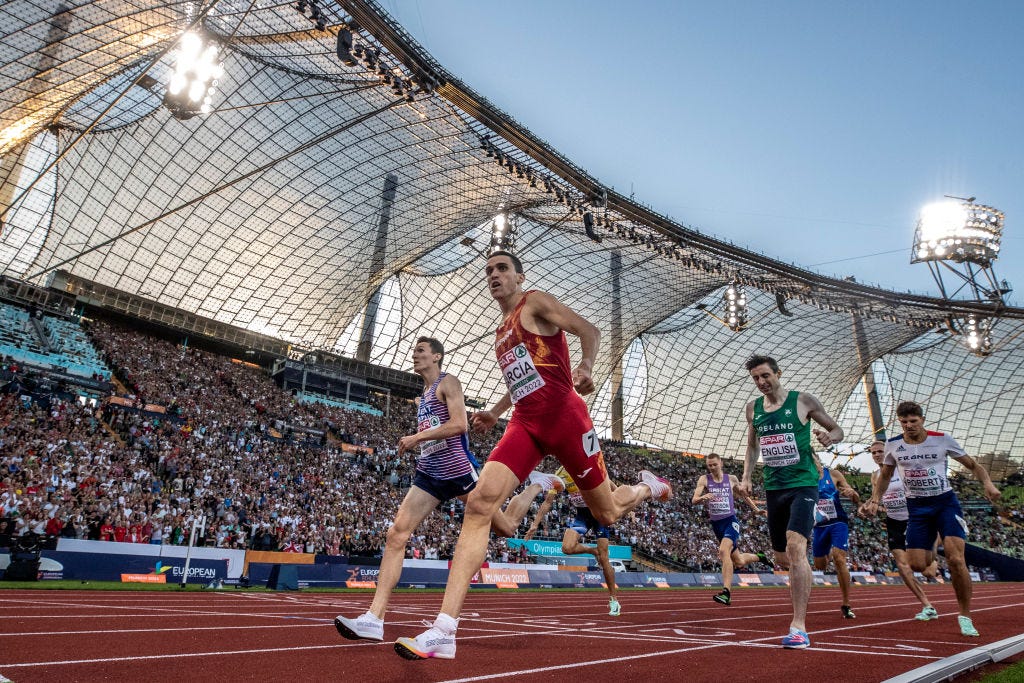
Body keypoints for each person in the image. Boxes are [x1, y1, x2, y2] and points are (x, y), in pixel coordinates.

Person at [395, 251, 672, 660]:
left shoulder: (535, 302)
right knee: (479, 503)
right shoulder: (500, 332)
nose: (493, 275)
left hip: (565, 416)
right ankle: (444, 630)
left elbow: (589, 330)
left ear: (519, 277)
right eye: (488, 270)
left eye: (502, 268)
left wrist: (588, 366)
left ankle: (647, 488)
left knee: (607, 513)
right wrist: (495, 411)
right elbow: (522, 380)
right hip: (525, 423)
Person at [335, 336, 558, 642]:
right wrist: (423, 440)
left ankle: (533, 486)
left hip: (456, 469)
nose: (414, 355)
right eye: (414, 351)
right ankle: (374, 618)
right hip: (429, 473)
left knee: (506, 527)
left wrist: (417, 438)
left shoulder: (447, 383)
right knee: (397, 533)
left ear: (437, 356)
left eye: (420, 351)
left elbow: (460, 425)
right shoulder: (423, 393)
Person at [861, 401, 1000, 637]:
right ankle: (934, 542)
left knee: (956, 559)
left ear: (922, 420)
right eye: (904, 422)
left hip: (944, 503)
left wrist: (987, 483)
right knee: (917, 564)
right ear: (899, 422)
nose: (909, 426)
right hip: (917, 508)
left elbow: (973, 465)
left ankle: (965, 616)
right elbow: (884, 476)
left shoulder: (941, 438)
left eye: (913, 421)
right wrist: (875, 499)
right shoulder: (893, 445)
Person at [738, 354, 844, 650]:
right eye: (756, 378)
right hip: (774, 488)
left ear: (778, 373)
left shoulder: (803, 401)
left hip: (804, 485)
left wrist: (829, 438)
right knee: (782, 558)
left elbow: (838, 430)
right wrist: (746, 476)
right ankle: (804, 562)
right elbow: (751, 446)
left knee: (796, 547)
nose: (761, 382)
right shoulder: (753, 409)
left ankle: (798, 627)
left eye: (765, 376)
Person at [524, 466, 622, 616]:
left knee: (604, 558)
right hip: (582, 515)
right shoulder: (559, 475)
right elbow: (548, 503)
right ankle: (592, 550)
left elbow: (613, 486)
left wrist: (623, 506)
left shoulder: (586, 465)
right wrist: (535, 524)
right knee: (567, 548)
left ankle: (614, 600)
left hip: (600, 513)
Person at [858, 440, 937, 620]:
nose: (877, 455)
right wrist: (866, 506)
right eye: (873, 452)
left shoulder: (903, 468)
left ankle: (934, 545)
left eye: (880, 451)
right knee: (902, 565)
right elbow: (875, 496)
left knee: (927, 572)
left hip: (915, 520)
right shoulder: (875, 475)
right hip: (894, 521)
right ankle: (927, 605)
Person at [691, 452, 771, 605]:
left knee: (723, 551)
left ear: (721, 463)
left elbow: (743, 495)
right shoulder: (704, 479)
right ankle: (760, 557)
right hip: (717, 525)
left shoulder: (731, 479)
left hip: (730, 521)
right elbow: (694, 499)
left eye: (715, 464)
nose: (712, 468)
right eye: (709, 465)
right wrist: (703, 497)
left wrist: (756, 510)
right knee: (739, 561)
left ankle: (726, 593)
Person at [811, 456, 860, 619]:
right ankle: (830, 552)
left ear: (818, 458)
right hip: (818, 527)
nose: (811, 462)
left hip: (838, 522)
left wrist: (852, 493)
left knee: (840, 560)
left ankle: (846, 604)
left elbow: (854, 497)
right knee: (820, 566)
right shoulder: (803, 477)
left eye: (813, 458)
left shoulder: (833, 475)